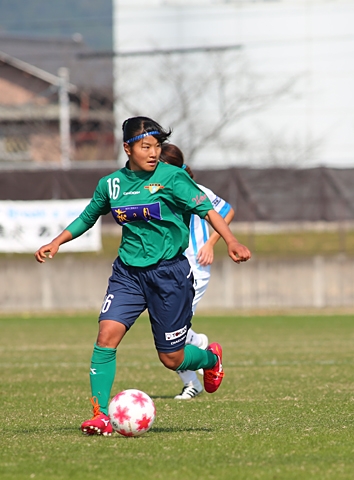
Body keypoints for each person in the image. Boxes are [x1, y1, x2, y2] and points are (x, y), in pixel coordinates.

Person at [34, 117, 251, 436]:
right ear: (127, 148)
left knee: (171, 358)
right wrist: (57, 242)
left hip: (169, 275)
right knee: (106, 336)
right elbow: (88, 217)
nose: (153, 152)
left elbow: (209, 211)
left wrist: (230, 241)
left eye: (157, 146)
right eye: (145, 146)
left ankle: (209, 359)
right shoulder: (111, 184)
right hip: (127, 275)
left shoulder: (173, 178)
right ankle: (101, 415)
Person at [159, 144, 235, 400]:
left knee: (171, 333)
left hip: (194, 267)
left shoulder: (194, 189)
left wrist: (211, 243)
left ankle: (193, 381)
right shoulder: (153, 190)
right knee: (167, 331)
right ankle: (200, 347)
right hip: (165, 268)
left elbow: (227, 210)